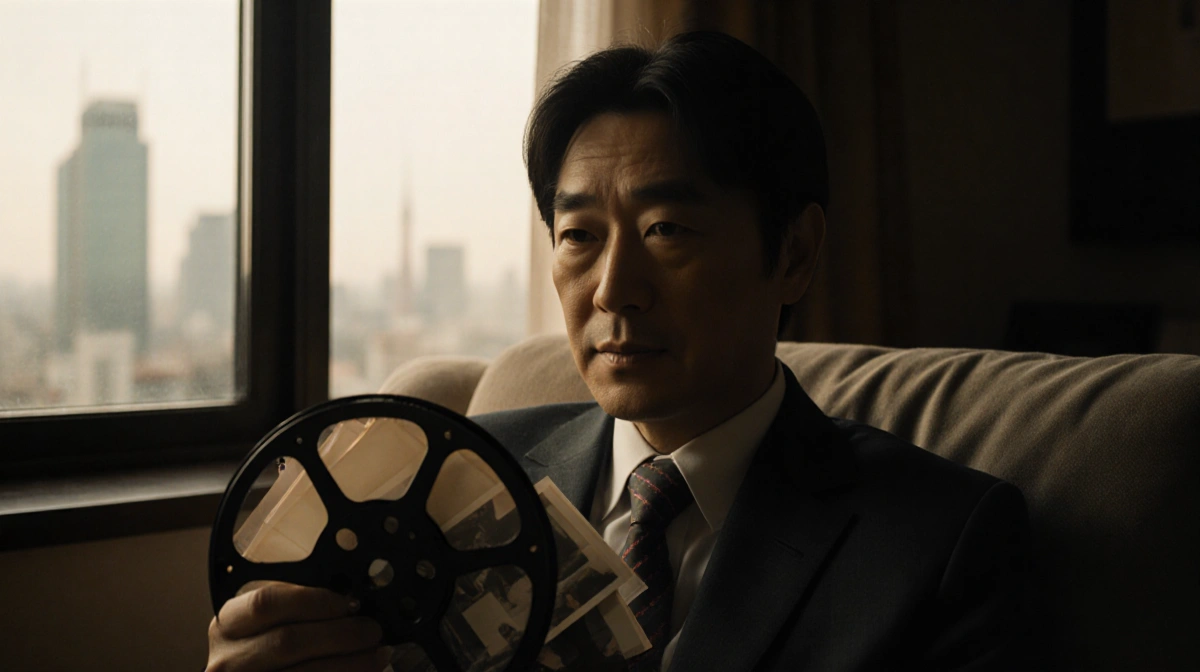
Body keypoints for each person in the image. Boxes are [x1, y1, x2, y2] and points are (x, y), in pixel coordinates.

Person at [207, 31, 1034, 672]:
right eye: (579, 236)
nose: (612, 289)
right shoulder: (456, 477)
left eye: (666, 229)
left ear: (793, 253)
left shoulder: (939, 540)